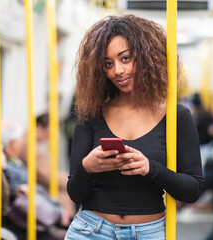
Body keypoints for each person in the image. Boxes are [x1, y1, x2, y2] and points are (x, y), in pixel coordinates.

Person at [65, 14, 203, 239]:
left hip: (150, 232)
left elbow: (192, 190)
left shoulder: (176, 116)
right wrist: (87, 167)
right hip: (91, 230)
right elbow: (75, 192)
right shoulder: (91, 114)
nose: (117, 70)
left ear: (147, 57)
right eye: (108, 64)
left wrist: (151, 168)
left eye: (125, 58)